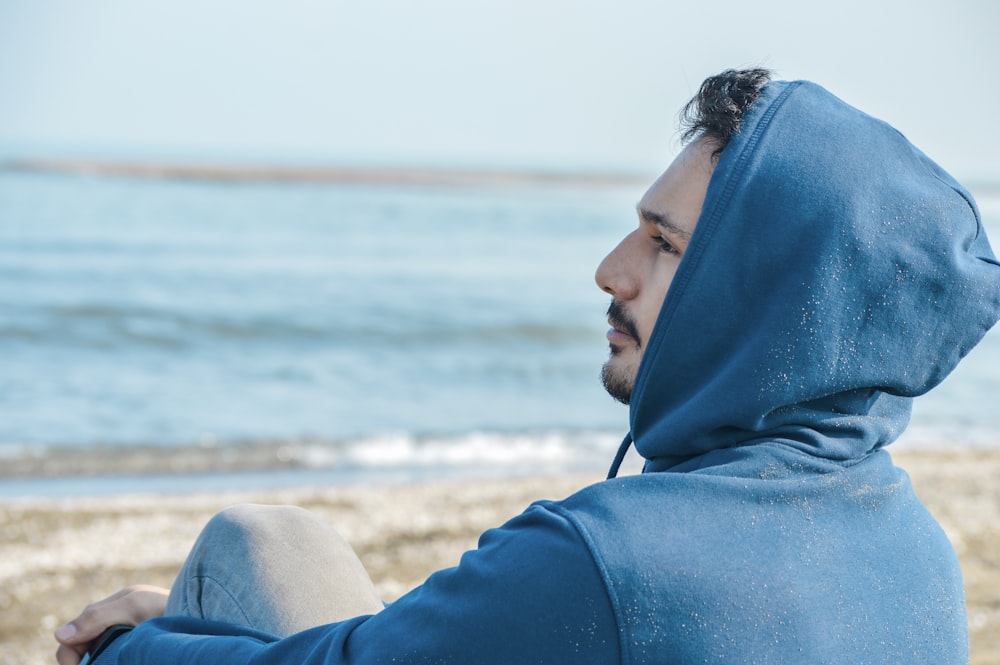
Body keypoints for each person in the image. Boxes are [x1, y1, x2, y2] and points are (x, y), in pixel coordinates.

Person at [55, 68, 1000, 664]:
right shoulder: (917, 549)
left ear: (761, 293)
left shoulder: (611, 562)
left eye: (664, 245)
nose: (610, 271)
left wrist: (136, 648)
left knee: (251, 544)